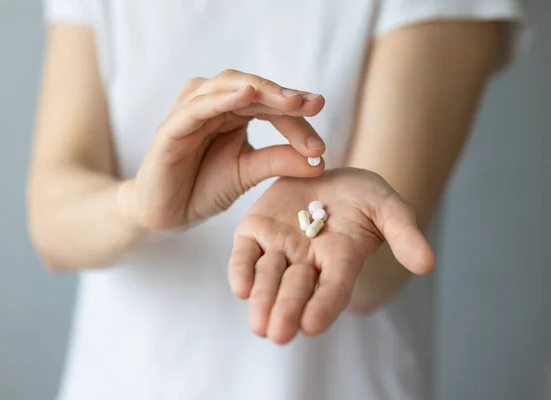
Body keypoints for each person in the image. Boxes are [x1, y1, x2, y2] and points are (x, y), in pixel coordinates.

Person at [27, 1, 525, 399]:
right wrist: (138, 206)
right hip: (118, 382)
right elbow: (51, 225)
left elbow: (377, 270)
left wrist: (343, 229)